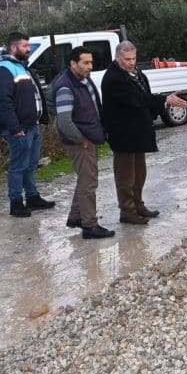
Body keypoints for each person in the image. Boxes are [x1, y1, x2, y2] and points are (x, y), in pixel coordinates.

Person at [101, 41, 187, 225]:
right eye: (127, 59)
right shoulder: (114, 78)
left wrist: (158, 106)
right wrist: (165, 99)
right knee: (125, 177)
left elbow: (145, 95)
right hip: (123, 135)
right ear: (117, 58)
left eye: (134, 58)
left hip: (137, 133)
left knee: (139, 173)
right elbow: (137, 99)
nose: (131, 62)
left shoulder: (136, 73)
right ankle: (127, 211)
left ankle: (138, 205)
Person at [0, 31, 56, 218]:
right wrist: (15, 128)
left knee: (31, 164)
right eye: (25, 46)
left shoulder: (22, 67)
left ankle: (32, 197)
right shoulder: (3, 70)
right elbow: (3, 103)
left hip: (32, 125)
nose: (28, 49)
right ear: (13, 47)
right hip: (19, 129)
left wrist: (41, 119)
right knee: (19, 166)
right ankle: (16, 203)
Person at [52, 46, 114, 239]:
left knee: (85, 179)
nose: (90, 66)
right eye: (85, 63)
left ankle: (76, 217)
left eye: (91, 62)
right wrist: (81, 139)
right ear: (73, 63)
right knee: (89, 183)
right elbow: (64, 121)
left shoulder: (83, 80)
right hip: (80, 143)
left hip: (89, 138)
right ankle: (90, 225)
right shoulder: (65, 87)